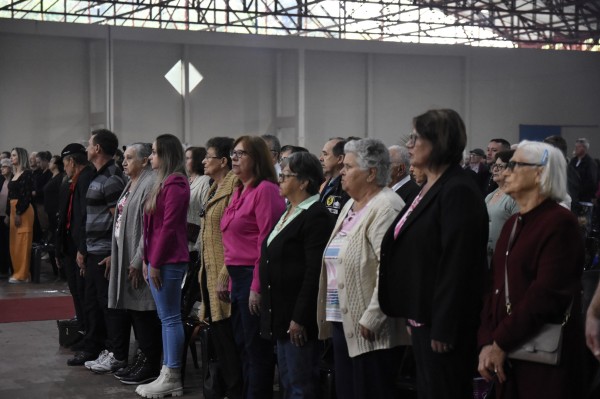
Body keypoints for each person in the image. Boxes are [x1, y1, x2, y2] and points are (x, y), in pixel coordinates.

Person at [378, 109, 489, 399]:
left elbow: (458, 263)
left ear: (439, 141)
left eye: (416, 137)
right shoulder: (429, 186)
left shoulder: (458, 189)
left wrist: (443, 324)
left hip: (445, 324)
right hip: (423, 316)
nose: (409, 145)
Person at [478, 141, 584, 399]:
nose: (504, 172)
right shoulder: (514, 222)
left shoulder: (560, 223)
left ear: (540, 172)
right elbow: (494, 288)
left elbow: (546, 295)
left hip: (541, 365)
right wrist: (486, 342)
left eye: (514, 165)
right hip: (506, 355)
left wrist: (500, 341)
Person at [316, 138, 407, 399]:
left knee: (369, 391)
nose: (342, 171)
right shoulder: (349, 205)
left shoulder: (386, 206)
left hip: (369, 325)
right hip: (343, 319)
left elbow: (390, 268)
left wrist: (373, 316)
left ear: (372, 173)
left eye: (349, 166)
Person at [260, 152, 333, 399]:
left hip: (298, 318)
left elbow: (314, 272)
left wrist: (299, 318)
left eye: (286, 175)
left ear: (303, 182)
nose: (280, 179)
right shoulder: (289, 211)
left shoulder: (316, 215)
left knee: (301, 386)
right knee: (288, 384)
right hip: (281, 314)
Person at [220, 135, 286, 399]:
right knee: (243, 346)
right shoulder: (239, 189)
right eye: (233, 153)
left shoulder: (265, 190)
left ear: (257, 158)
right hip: (238, 277)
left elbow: (266, 242)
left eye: (241, 154)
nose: (234, 158)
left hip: (254, 276)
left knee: (256, 349)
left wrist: (257, 286)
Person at [135, 134, 190, 398]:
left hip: (168, 260)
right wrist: (147, 260)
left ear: (166, 155)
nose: (151, 156)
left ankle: (173, 375)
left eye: (155, 152)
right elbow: (152, 228)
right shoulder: (164, 182)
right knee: (165, 317)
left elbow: (168, 228)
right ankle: (167, 372)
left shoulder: (177, 183)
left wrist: (154, 262)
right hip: (157, 259)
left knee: (170, 318)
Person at [108, 143, 162, 385]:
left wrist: (139, 257)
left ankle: (150, 363)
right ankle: (142, 359)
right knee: (134, 310)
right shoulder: (131, 182)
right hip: (125, 254)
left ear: (144, 161)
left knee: (144, 311)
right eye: (125, 158)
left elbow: (149, 228)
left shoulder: (150, 183)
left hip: (138, 258)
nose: (124, 162)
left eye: (130, 158)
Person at [77, 129, 127, 373]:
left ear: (97, 149)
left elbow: (120, 221)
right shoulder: (98, 176)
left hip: (106, 252)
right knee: (95, 304)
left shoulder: (112, 178)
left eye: (89, 144)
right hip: (93, 249)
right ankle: (104, 349)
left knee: (109, 307)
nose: (86, 148)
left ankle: (116, 353)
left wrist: (114, 254)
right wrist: (84, 248)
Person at [198, 136, 243, 399]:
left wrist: (225, 273)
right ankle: (227, 387)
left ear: (223, 161)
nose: (204, 161)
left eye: (209, 156)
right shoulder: (212, 187)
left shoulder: (234, 187)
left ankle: (236, 389)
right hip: (209, 271)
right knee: (220, 338)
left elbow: (235, 236)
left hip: (225, 275)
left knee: (230, 340)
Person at [58, 143, 95, 364]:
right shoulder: (74, 181)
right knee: (78, 293)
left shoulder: (86, 178)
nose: (64, 168)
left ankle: (91, 336)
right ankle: (83, 331)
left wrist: (82, 248)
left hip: (83, 247)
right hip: (72, 246)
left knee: (86, 295)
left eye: (65, 164)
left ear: (72, 162)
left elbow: (84, 218)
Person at [485, 150, 519, 266]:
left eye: (500, 166)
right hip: (487, 257)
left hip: (506, 258)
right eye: (494, 166)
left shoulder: (515, 196)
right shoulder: (491, 195)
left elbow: (518, 231)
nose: (494, 170)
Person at [7, 147, 35, 283]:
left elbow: (26, 196)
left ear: (21, 157)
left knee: (23, 243)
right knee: (14, 244)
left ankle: (23, 274)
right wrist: (9, 214)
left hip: (22, 210)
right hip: (13, 210)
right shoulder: (14, 174)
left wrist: (18, 212)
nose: (11, 158)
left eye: (13, 155)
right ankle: (17, 271)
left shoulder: (27, 174)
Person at [184, 146, 211, 276]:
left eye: (188, 158)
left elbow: (206, 211)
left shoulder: (204, 182)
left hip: (195, 241)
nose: (185, 161)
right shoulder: (187, 181)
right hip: (184, 241)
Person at [43, 154, 66, 278]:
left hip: (56, 213)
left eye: (51, 161)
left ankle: (61, 271)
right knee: (52, 242)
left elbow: (60, 196)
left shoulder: (60, 177)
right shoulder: (52, 177)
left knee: (56, 241)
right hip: (50, 213)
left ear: (56, 164)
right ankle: (57, 270)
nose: (49, 163)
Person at [319, 137, 350, 218]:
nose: (321, 158)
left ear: (340, 159)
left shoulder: (347, 187)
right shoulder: (328, 183)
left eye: (325, 154)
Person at [0, 158, 13, 278]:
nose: (2, 169)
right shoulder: (1, 180)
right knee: (1, 243)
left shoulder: (14, 180)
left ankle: (10, 267)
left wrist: (8, 215)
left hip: (9, 215)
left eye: (4, 166)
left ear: (10, 168)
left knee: (8, 242)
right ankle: (3, 268)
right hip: (0, 214)